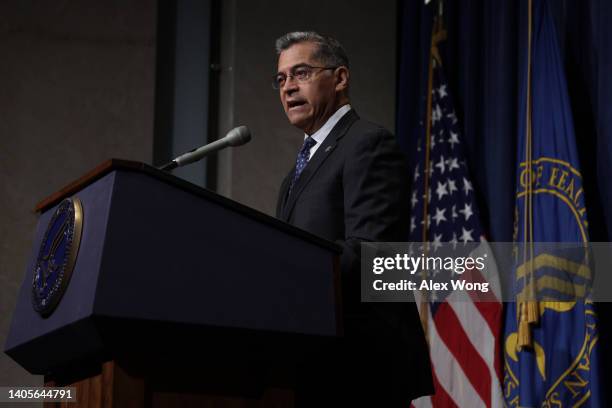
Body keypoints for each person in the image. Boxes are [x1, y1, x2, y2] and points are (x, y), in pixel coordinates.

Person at [274, 31, 434, 407]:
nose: (288, 88)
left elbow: (374, 256)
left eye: (301, 73)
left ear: (340, 77)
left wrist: (285, 272)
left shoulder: (367, 144)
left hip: (362, 365)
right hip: (314, 359)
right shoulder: (295, 172)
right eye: (281, 79)